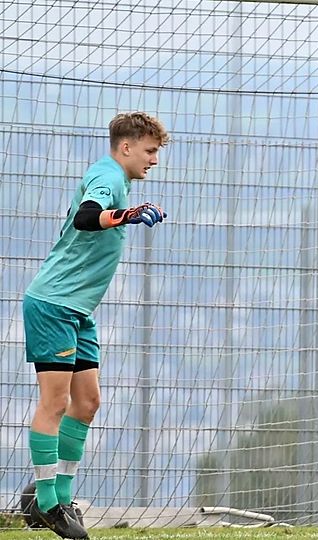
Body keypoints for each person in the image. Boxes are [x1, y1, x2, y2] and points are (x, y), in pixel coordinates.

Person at [22, 112, 170, 540]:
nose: (154, 160)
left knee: (86, 403)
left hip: (78, 311)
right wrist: (124, 215)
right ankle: (49, 505)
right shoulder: (105, 176)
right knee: (54, 402)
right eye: (150, 151)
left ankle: (57, 494)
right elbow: (89, 216)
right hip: (53, 305)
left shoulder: (117, 181)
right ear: (126, 147)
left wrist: (126, 210)